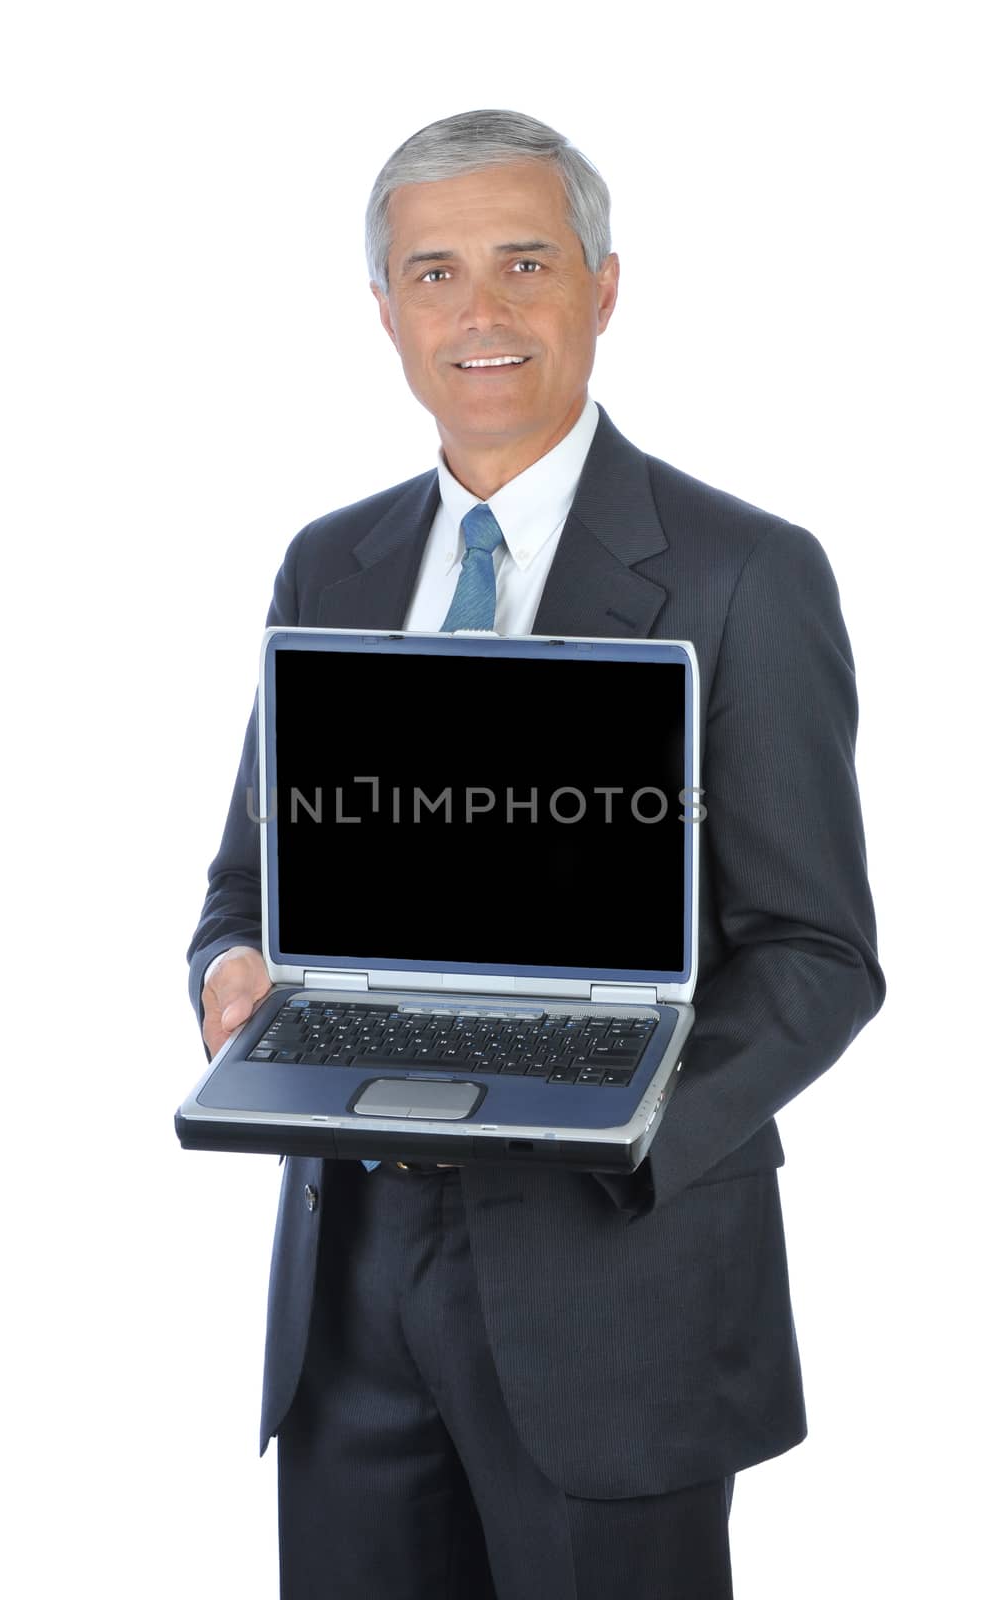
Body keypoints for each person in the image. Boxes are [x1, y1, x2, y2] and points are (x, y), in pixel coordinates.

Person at [187, 108, 885, 1600]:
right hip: (352, 1279)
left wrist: (623, 1116)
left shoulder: (741, 574)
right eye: (433, 274)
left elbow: (824, 958)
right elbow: (246, 885)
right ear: (385, 311)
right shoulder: (333, 562)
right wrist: (230, 968)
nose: (480, 312)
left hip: (610, 1292)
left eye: (524, 263)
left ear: (605, 286)